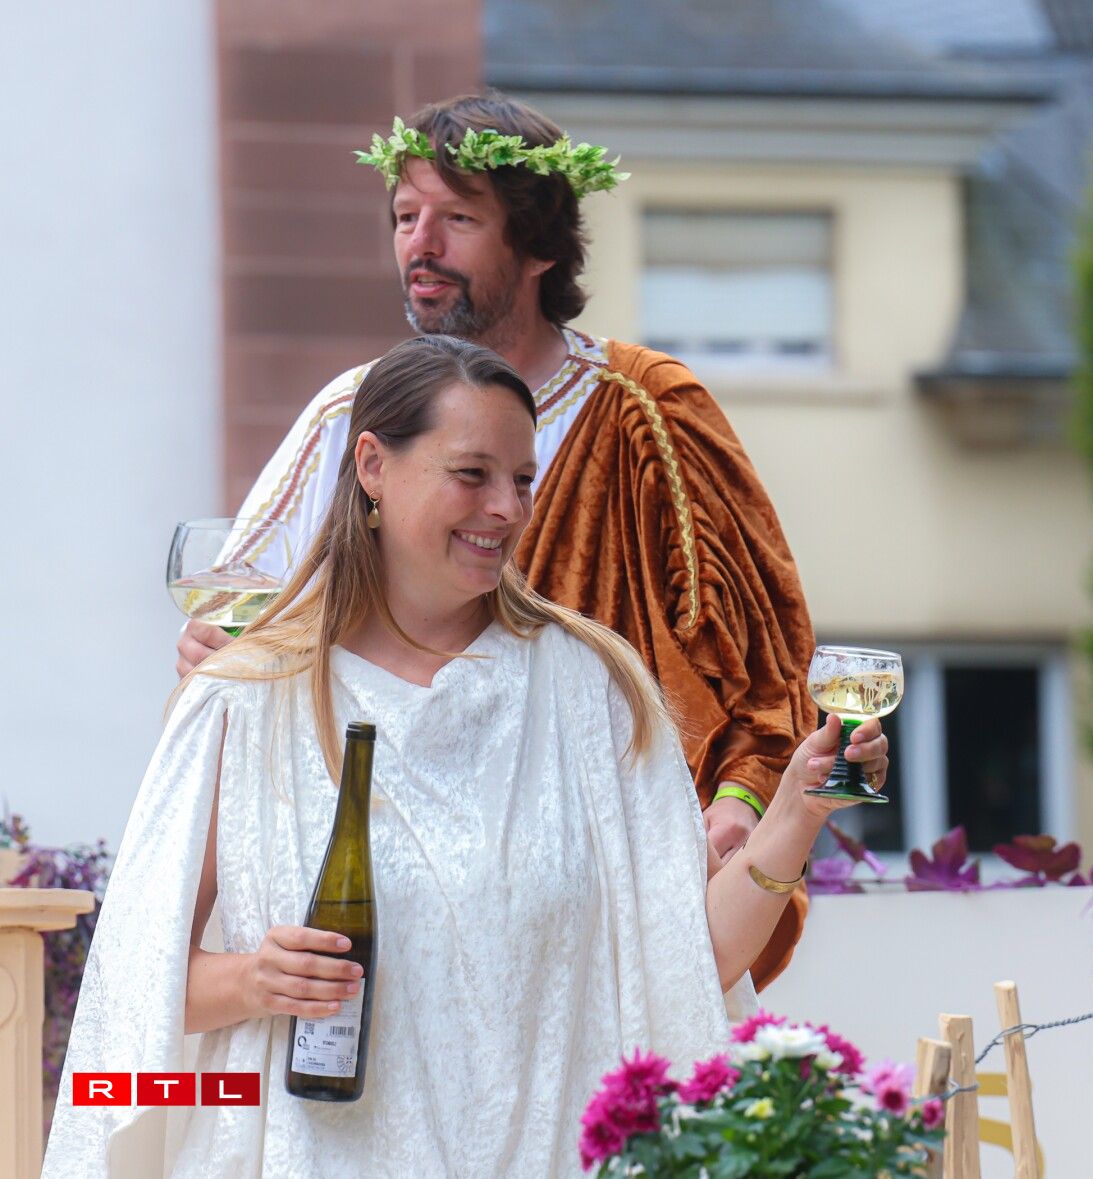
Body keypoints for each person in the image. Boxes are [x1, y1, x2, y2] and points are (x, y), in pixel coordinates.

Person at [46, 337, 887, 1177]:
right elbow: (132, 991)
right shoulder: (249, 696)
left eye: (522, 479)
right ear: (372, 465)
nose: (506, 509)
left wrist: (797, 809)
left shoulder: (593, 688)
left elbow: (688, 965)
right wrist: (254, 979)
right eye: (472, 473)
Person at [178, 93, 818, 987]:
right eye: (406, 217)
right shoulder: (352, 415)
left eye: (458, 219)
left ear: (539, 245)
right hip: (390, 881)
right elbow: (247, 624)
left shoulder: (647, 411)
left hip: (595, 887)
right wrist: (215, 656)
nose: (421, 244)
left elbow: (760, 663)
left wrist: (743, 800)